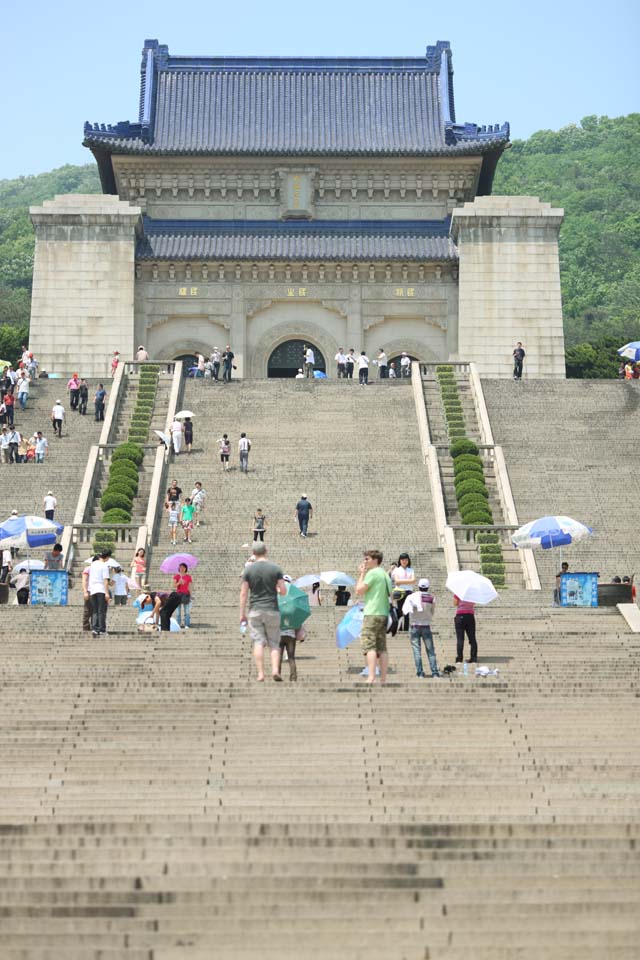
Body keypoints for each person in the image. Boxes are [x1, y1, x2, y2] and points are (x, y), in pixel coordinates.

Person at [240, 542, 287, 682]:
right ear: (266, 551)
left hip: (255, 609)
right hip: (272, 609)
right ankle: (274, 670)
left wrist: (242, 613)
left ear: (253, 553)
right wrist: (277, 590)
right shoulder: (276, 568)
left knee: (258, 642)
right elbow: (283, 591)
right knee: (274, 642)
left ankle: (260, 674)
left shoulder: (248, 570)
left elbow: (243, 593)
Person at [355, 549, 392, 684]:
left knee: (369, 645)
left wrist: (362, 574)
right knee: (382, 647)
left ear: (375, 560)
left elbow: (359, 590)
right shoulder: (385, 574)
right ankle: (383, 679)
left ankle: (371, 677)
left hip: (372, 613)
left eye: (367, 559)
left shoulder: (373, 573)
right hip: (383, 613)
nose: (365, 561)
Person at [403, 578, 440, 678]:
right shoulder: (432, 598)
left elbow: (406, 610)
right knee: (431, 651)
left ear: (418, 586)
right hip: (426, 626)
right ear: (428, 587)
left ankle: (420, 673)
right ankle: (435, 672)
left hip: (415, 626)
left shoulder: (412, 597)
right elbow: (432, 612)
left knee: (416, 651)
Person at [278, 577, 305, 682]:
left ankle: (278, 674)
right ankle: (293, 677)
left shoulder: (278, 608)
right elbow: (297, 624)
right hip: (291, 636)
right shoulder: (293, 609)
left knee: (278, 657)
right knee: (291, 657)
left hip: (279, 635)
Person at [88, 550, 112, 637]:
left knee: (95, 610)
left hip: (93, 590)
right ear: (108, 557)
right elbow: (105, 580)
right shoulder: (104, 565)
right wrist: (107, 593)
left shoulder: (93, 564)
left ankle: (95, 628)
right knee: (101, 611)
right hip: (101, 590)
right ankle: (102, 629)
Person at [390, 553, 416, 631]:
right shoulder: (396, 570)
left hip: (409, 592)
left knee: (407, 611)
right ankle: (399, 628)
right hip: (399, 592)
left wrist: (402, 581)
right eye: (402, 560)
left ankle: (406, 628)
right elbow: (397, 581)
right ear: (400, 561)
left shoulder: (411, 570)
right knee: (400, 610)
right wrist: (409, 581)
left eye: (406, 560)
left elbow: (413, 580)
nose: (404, 561)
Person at [454, 593, 477, 663]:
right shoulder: (473, 593)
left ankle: (459, 658)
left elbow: (455, 603)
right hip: (470, 616)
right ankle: (473, 658)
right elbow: (474, 603)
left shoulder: (458, 591)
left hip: (460, 616)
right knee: (472, 638)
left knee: (460, 639)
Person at [174, 562, 193, 629]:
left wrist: (191, 595)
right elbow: (174, 586)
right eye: (180, 567)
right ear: (179, 568)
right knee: (178, 611)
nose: (182, 568)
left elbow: (190, 587)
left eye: (183, 567)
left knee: (187, 611)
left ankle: (187, 624)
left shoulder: (188, 577)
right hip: (178, 595)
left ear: (185, 568)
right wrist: (179, 582)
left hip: (186, 595)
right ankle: (178, 624)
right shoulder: (177, 576)